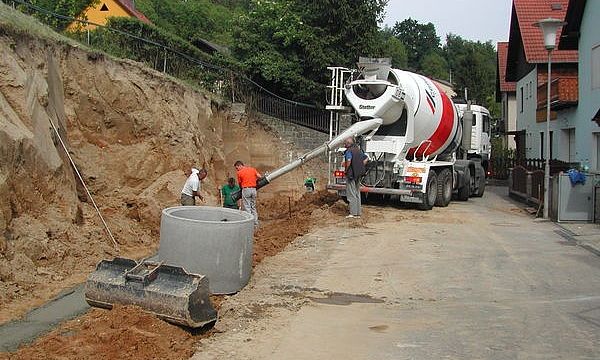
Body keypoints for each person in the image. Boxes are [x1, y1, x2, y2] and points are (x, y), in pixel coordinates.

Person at [343, 137, 368, 218]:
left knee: (351, 193)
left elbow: (349, 161)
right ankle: (358, 213)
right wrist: (360, 166)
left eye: (345, 143)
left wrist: (346, 170)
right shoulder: (358, 150)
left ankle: (353, 213)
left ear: (348, 144)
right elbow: (366, 158)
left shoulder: (348, 151)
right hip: (358, 174)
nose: (344, 144)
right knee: (357, 192)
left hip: (351, 175)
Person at [234, 160, 262, 226]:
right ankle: (255, 223)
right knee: (253, 207)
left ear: (240, 165)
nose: (237, 169)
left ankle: (250, 224)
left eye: (237, 168)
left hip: (246, 189)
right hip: (254, 189)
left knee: (247, 207)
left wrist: (241, 190)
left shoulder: (239, 172)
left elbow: (240, 184)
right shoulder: (252, 169)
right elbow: (260, 177)